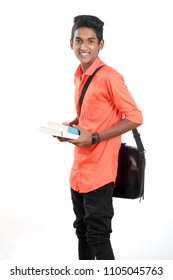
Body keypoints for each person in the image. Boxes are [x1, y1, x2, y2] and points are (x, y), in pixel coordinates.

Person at [56, 15, 143, 260]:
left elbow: (135, 117)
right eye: (78, 40)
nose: (84, 47)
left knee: (98, 237)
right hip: (79, 171)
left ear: (100, 45)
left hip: (100, 173)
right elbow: (95, 110)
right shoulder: (79, 74)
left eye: (91, 41)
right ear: (70, 43)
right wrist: (74, 125)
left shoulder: (110, 76)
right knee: (82, 231)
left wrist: (94, 137)